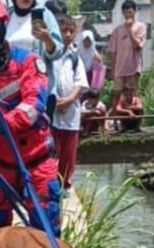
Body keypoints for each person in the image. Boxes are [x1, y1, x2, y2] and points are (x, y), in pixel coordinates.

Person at [0, 12, 62, 234]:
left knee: (47, 233)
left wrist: (5, 123)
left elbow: (34, 105)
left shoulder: (28, 62)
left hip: (34, 160)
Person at [53, 15, 89, 188]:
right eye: (64, 31)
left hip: (70, 114)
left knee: (68, 153)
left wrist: (68, 100)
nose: (67, 34)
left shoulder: (75, 58)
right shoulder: (51, 54)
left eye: (71, 31)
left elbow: (79, 83)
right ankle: (50, 183)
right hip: (53, 112)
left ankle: (65, 184)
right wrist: (56, 100)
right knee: (52, 150)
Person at [107, 0, 147, 117]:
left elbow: (137, 46)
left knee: (133, 96)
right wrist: (113, 70)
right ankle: (115, 122)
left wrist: (130, 30)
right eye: (125, 12)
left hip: (133, 68)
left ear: (135, 11)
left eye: (130, 12)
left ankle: (135, 123)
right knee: (116, 95)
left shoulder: (141, 27)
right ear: (122, 13)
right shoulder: (117, 30)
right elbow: (113, 52)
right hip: (119, 69)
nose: (128, 15)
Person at [5, 0, 64, 76]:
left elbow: (58, 53)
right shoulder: (7, 15)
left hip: (35, 81)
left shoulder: (45, 14)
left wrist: (47, 40)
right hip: (10, 81)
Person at [78, 29, 106, 95]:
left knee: (88, 93)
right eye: (85, 41)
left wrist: (99, 59)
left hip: (89, 75)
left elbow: (100, 61)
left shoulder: (93, 51)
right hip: (79, 75)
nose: (87, 43)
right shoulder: (78, 51)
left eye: (89, 41)